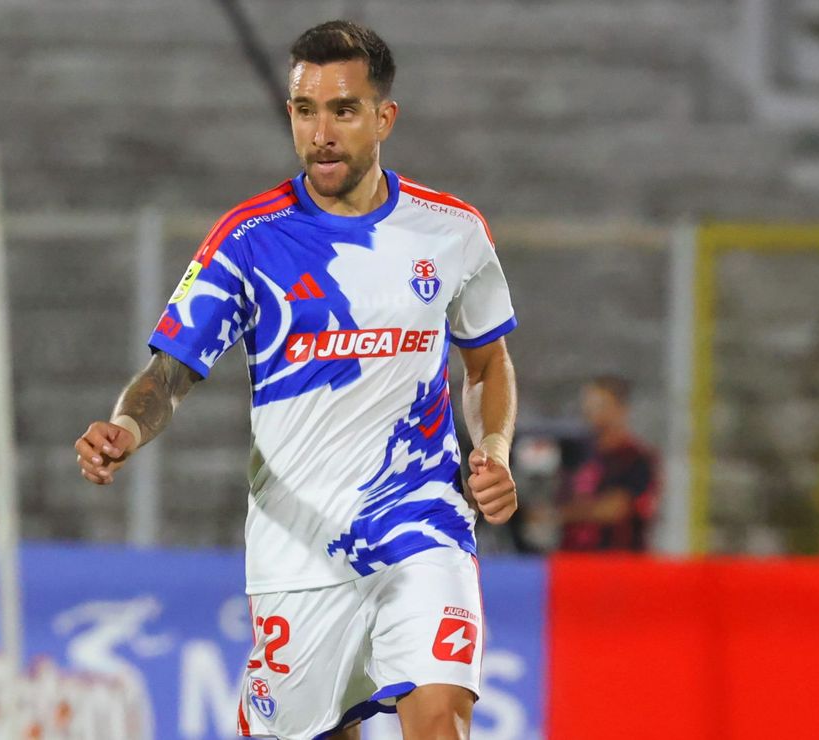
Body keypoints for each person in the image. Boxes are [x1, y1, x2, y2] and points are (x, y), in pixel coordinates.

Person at [75, 20, 519, 740]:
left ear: (384, 117)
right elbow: (169, 373)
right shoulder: (248, 240)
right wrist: (126, 425)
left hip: (422, 526)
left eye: (342, 110)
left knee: (440, 718)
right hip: (300, 554)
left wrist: (493, 447)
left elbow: (488, 360)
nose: (320, 132)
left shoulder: (453, 231)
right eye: (304, 109)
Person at [555, 375, 661, 552]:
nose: (592, 412)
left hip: (617, 561)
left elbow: (616, 509)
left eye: (601, 405)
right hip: (572, 560)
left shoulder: (635, 457)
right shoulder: (576, 453)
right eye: (589, 405)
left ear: (621, 409)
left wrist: (560, 514)